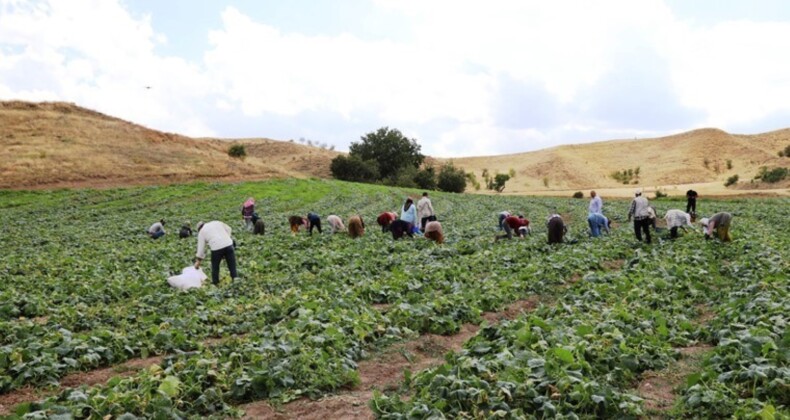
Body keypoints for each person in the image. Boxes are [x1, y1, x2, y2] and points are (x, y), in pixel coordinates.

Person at [194, 221, 237, 285]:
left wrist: (198, 261)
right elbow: (229, 228)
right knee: (232, 266)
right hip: (229, 245)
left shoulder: (202, 232)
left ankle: (216, 283)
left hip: (216, 248)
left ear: (199, 229)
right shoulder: (216, 222)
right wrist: (227, 238)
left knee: (215, 267)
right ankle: (236, 281)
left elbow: (201, 248)